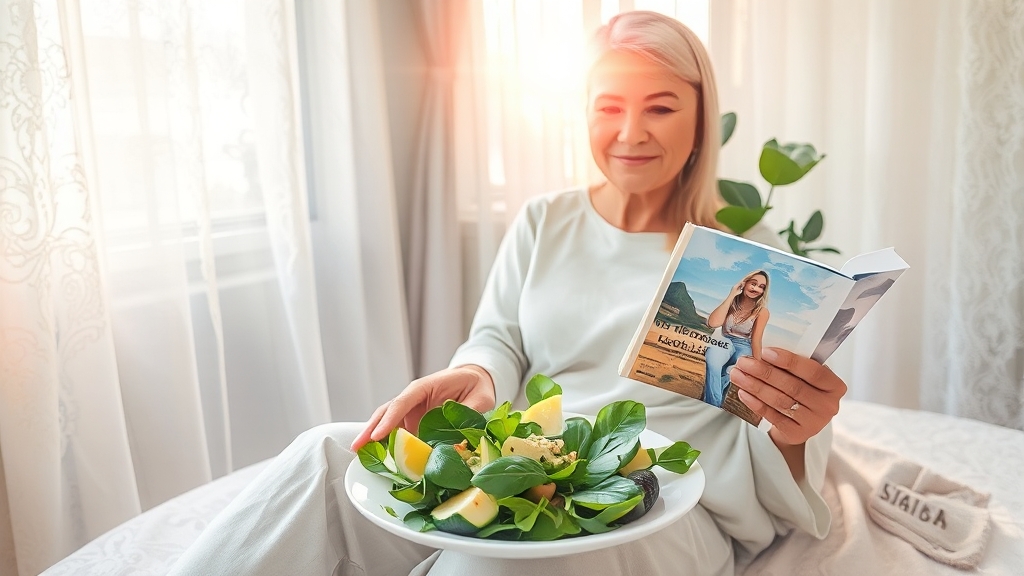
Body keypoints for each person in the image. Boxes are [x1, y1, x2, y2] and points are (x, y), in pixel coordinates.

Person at [169, 11, 846, 576]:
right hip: (538, 467)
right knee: (324, 459)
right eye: (609, 107)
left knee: (503, 556)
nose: (631, 132)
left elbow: (766, 414)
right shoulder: (544, 221)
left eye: (661, 108)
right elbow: (499, 339)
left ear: (700, 118)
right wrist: (477, 375)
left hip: (666, 501)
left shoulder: (748, 257)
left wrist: (797, 428)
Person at [703, 270, 771, 408]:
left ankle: (709, 404)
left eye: (761, 287)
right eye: (753, 283)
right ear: (744, 283)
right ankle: (714, 404)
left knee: (729, 372)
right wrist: (732, 293)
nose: (756, 289)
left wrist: (758, 367)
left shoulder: (762, 311)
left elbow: (756, 340)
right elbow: (713, 323)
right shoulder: (732, 302)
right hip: (726, 340)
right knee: (713, 361)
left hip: (744, 346)